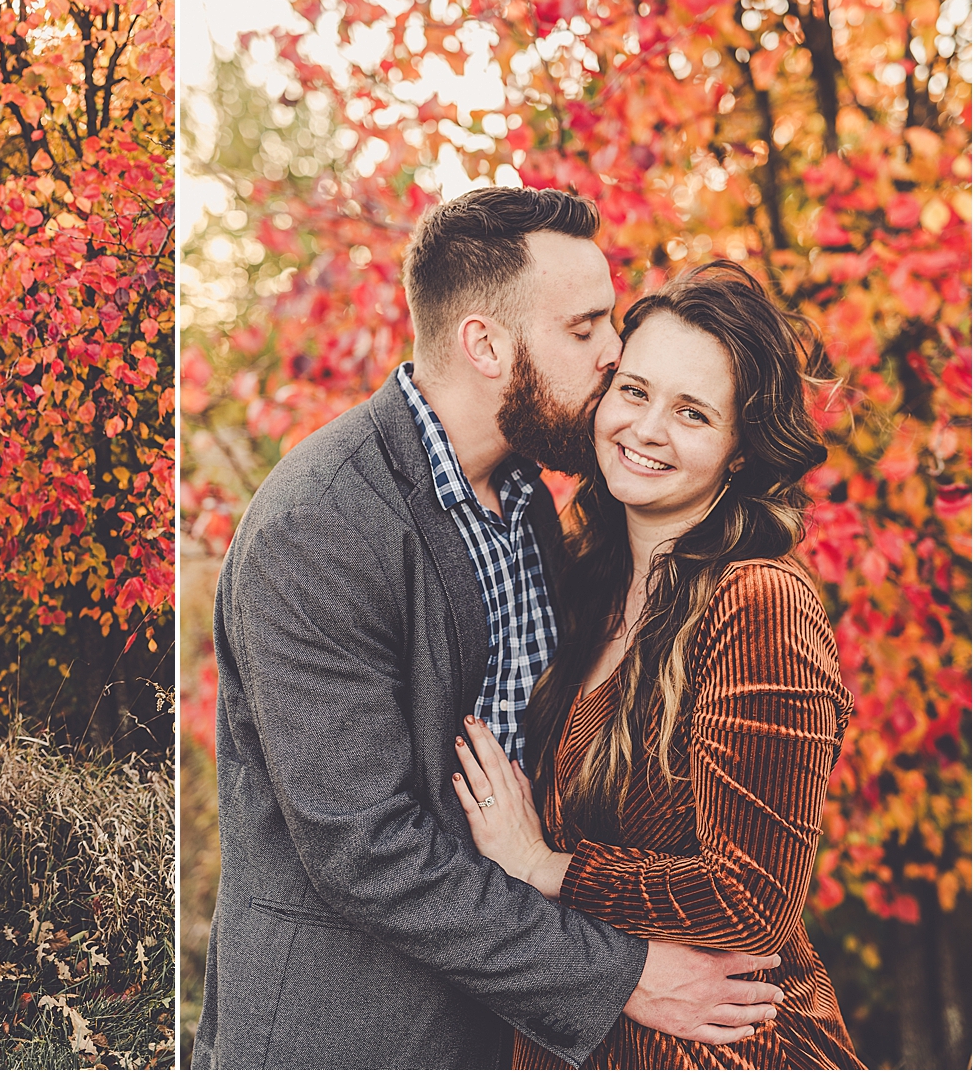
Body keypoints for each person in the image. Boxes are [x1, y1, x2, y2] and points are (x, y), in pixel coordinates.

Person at [192, 188, 786, 1069]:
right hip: (353, 1034)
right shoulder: (318, 527)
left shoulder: (526, 502)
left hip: (505, 1028)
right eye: (585, 329)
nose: (615, 352)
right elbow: (368, 848)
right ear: (485, 343)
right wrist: (620, 975)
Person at [452, 262, 862, 1069]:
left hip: (730, 1048)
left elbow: (752, 903)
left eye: (693, 413)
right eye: (634, 392)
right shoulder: (577, 585)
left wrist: (546, 866)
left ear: (740, 451)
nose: (646, 429)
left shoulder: (758, 602)